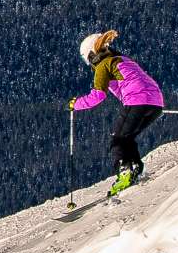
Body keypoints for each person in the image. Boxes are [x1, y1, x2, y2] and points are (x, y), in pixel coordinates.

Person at [70, 29, 164, 195]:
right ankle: (134, 167)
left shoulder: (103, 66)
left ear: (91, 55)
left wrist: (75, 104)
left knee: (118, 140)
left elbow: (97, 96)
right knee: (127, 137)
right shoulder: (122, 60)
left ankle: (126, 171)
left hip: (137, 102)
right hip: (156, 102)